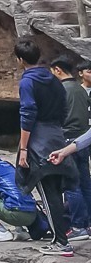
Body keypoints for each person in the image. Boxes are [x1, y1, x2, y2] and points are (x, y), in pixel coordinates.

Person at [15, 38, 77, 256]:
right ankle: (62, 236)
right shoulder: (53, 79)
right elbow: (63, 106)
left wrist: (23, 149)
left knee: (46, 189)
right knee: (56, 190)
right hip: (57, 136)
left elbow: (28, 113)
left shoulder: (27, 82)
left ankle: (61, 242)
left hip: (38, 140)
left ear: (20, 60)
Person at [51, 56, 91, 237]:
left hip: (68, 140)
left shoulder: (61, 90)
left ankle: (78, 226)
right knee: (85, 183)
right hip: (83, 140)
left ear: (58, 70)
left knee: (71, 186)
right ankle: (88, 223)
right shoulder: (81, 89)